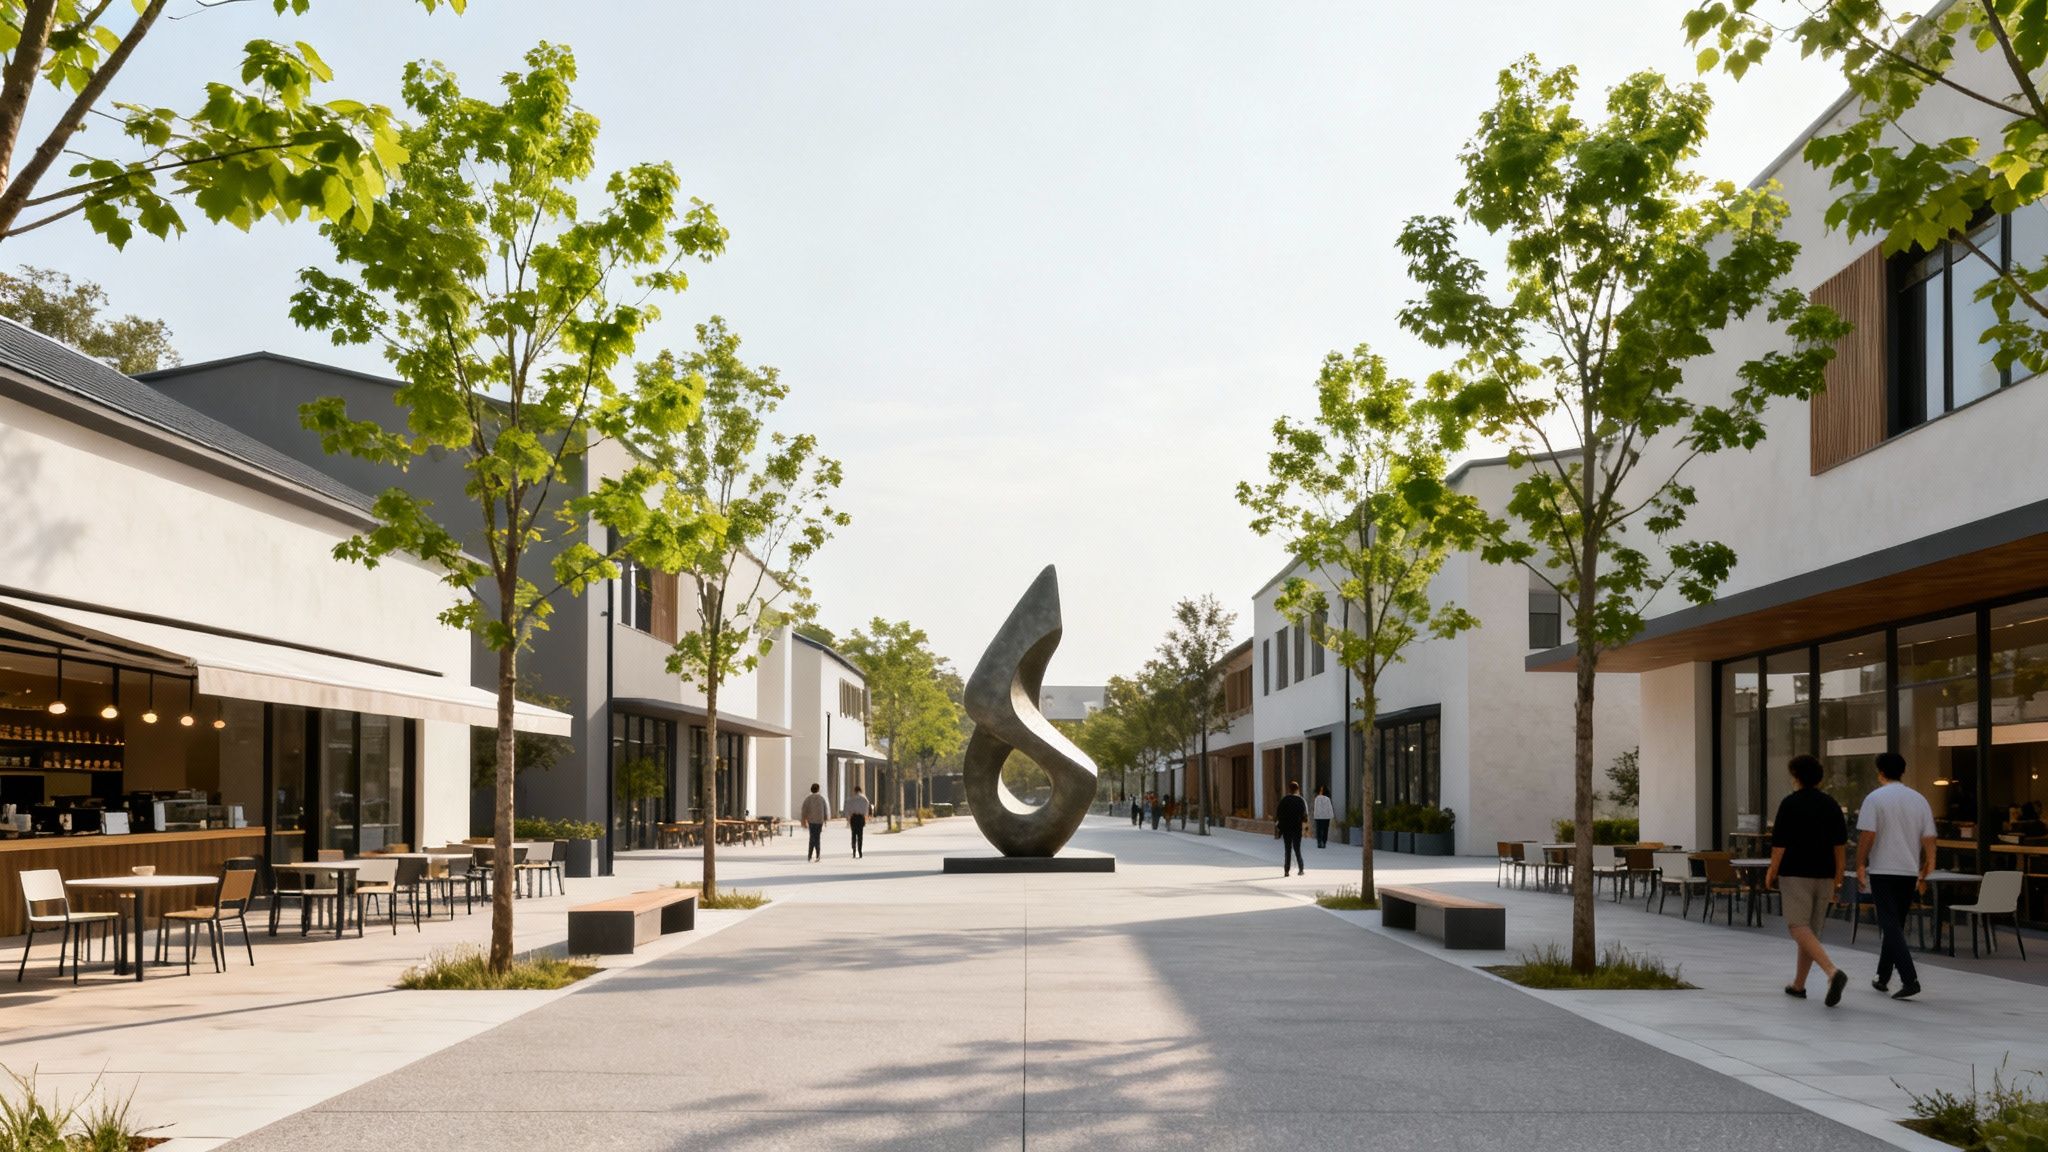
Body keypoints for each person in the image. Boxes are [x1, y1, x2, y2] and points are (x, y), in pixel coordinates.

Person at [1763, 754, 1849, 1007]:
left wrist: (1772, 871)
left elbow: (1779, 845)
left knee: (1797, 926)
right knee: (1810, 932)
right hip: (1825, 874)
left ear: (1796, 777)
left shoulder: (1790, 804)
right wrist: (1839, 877)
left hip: (1795, 872)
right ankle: (1798, 985)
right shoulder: (1831, 805)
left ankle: (1832, 971)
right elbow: (1840, 846)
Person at [1857, 752, 1936, 1000]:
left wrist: (1860, 863)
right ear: (1903, 771)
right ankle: (1882, 976)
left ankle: (1909, 978)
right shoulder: (1919, 799)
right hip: (1908, 870)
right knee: (1895, 925)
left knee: (1889, 924)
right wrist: (1930, 861)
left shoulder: (1874, 798)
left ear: (1880, 772)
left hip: (1883, 869)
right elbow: (1929, 835)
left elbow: (1868, 834)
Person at [1275, 780, 1308, 876]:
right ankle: (1301, 869)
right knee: (1297, 849)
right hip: (1297, 828)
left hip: (1286, 828)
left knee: (1288, 849)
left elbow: (1278, 814)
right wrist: (1305, 826)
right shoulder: (1301, 800)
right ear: (1297, 789)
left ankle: (1286, 870)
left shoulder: (1284, 800)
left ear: (1289, 789)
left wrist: (1279, 827)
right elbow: (1305, 816)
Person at [800, 783, 829, 864]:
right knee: (817, 838)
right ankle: (817, 854)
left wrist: (803, 820)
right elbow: (825, 809)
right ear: (818, 789)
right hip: (819, 821)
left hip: (811, 821)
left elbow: (804, 810)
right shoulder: (821, 799)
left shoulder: (808, 799)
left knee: (812, 837)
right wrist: (825, 819)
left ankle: (810, 855)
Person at [845, 784, 871, 859]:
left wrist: (848, 818)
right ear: (860, 790)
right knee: (860, 835)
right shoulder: (864, 799)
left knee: (853, 834)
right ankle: (860, 851)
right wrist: (866, 817)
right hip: (860, 818)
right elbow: (866, 809)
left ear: (855, 791)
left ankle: (854, 850)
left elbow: (847, 809)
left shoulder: (851, 799)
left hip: (853, 818)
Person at [1311, 785, 1335, 850]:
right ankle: (1322, 842)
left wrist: (1315, 815)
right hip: (1323, 816)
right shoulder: (1323, 799)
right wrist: (1331, 816)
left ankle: (1321, 842)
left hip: (1321, 817)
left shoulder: (1320, 798)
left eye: (1322, 790)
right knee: (1323, 830)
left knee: (1321, 830)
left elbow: (1316, 808)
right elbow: (1329, 808)